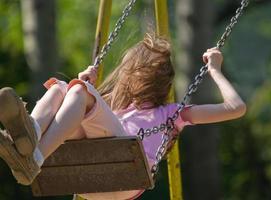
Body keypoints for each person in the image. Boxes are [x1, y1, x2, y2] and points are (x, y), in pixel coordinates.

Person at [0, 33, 246, 200]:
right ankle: (29, 139)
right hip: (93, 180)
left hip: (125, 180)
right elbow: (74, 111)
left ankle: (34, 156)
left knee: (74, 90)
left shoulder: (173, 115)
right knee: (60, 89)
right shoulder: (115, 108)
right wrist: (82, 84)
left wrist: (214, 69)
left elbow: (236, 107)